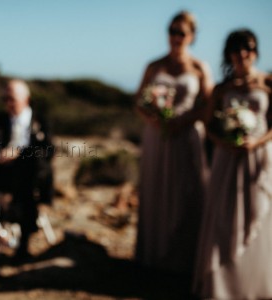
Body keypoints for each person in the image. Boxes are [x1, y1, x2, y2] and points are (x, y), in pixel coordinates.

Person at [193, 29, 272, 299]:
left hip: (258, 157)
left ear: (256, 51)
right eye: (237, 49)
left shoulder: (268, 83)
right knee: (224, 216)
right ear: (229, 54)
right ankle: (223, 285)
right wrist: (224, 142)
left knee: (257, 214)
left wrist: (258, 142)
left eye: (248, 48)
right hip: (227, 158)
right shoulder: (222, 89)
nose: (242, 54)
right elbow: (208, 124)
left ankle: (256, 283)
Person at [134, 11, 213, 276]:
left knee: (187, 193)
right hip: (158, 138)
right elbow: (139, 101)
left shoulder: (200, 68)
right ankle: (155, 257)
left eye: (181, 32)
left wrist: (183, 121)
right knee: (156, 191)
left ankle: (185, 260)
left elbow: (208, 105)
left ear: (191, 36)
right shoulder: (154, 66)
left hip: (187, 137)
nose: (175, 37)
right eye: (172, 31)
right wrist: (154, 119)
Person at [0, 79, 54, 261]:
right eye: (5, 98)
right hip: (3, 175)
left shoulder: (40, 121)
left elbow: (49, 150)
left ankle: (21, 244)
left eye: (12, 98)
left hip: (32, 178)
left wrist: (20, 154)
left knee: (30, 174)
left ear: (26, 99)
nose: (8, 103)